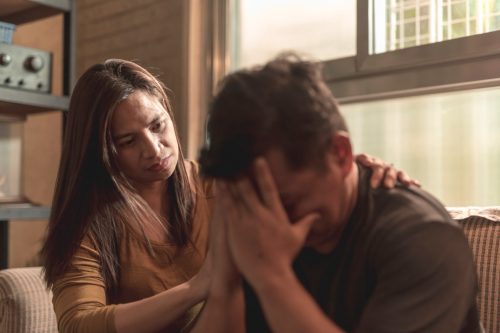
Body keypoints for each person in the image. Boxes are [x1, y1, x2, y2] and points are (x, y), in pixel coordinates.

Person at [40, 58, 418, 333]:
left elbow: (300, 183)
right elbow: (78, 324)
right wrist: (196, 288)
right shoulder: (87, 222)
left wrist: (355, 171)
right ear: (102, 152)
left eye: (158, 126)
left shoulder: (218, 183)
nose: (154, 150)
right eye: (128, 141)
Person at [198, 54, 481, 333]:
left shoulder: (423, 237)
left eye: (287, 203)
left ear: (340, 155)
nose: (271, 225)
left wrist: (273, 278)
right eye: (251, 204)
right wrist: (225, 283)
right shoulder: (255, 221)